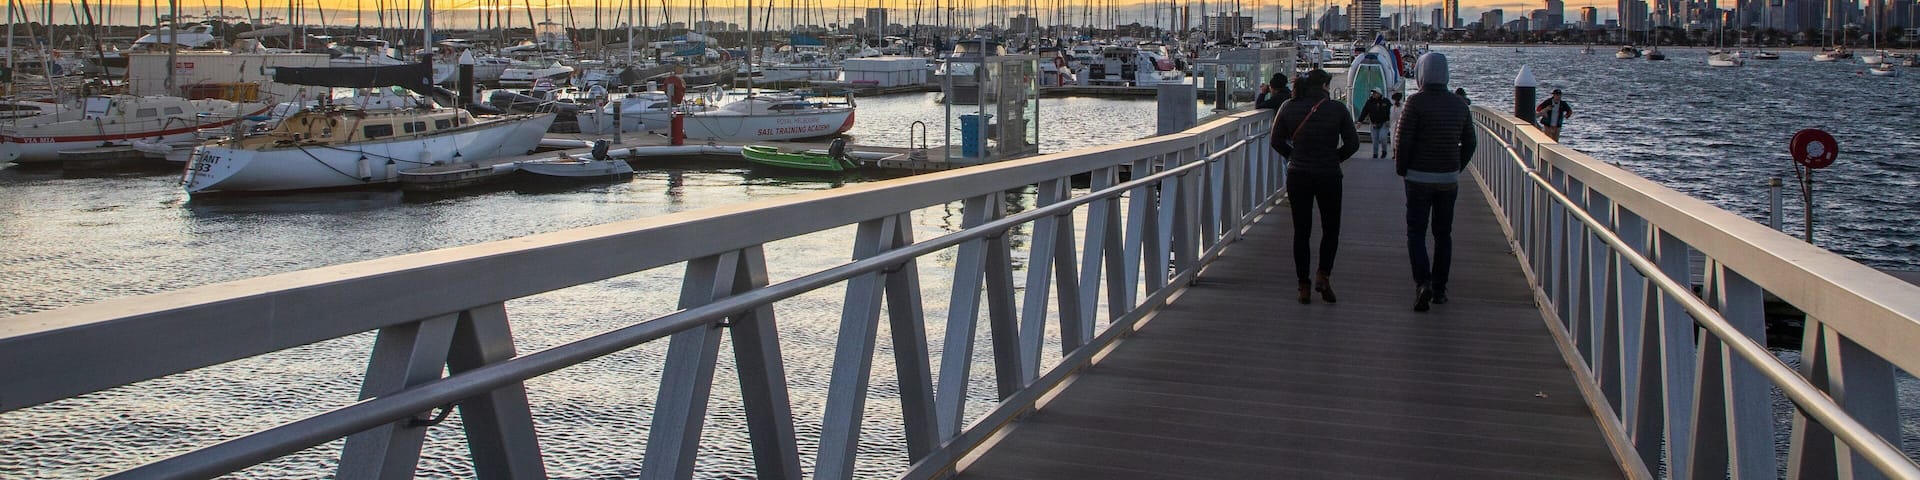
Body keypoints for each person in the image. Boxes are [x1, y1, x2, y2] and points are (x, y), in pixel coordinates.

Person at [1270, 69, 1359, 304]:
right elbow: (1353, 143)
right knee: (1331, 229)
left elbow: (1275, 140)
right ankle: (1323, 274)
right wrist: (1335, 158)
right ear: (1326, 86)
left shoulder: (1289, 106)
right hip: (1328, 174)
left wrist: (1293, 156)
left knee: (1302, 231)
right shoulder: (1337, 109)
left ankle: (1303, 285)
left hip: (1298, 174)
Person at [1396, 53, 1477, 312]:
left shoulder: (1414, 103)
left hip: (1418, 177)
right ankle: (1440, 289)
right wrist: (1457, 167)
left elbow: (1403, 140)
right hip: (1447, 179)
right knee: (1443, 234)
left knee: (1416, 232)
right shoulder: (1459, 105)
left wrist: (1402, 168)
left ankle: (1423, 283)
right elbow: (1471, 142)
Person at [1359, 89, 1394, 158]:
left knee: (1382, 137)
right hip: (1374, 123)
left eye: (1375, 93)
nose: (1373, 94)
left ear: (1379, 94)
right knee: (1375, 140)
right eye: (1373, 93)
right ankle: (1375, 154)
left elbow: (1391, 111)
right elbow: (1364, 111)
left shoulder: (1386, 101)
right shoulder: (1369, 102)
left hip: (1384, 123)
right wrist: (1360, 121)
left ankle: (1384, 151)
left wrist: (1389, 120)